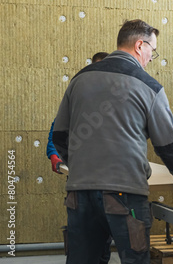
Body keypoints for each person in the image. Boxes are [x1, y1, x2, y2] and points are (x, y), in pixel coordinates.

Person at [53, 19, 173, 264]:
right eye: (153, 50)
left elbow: (60, 136)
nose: (152, 58)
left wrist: (81, 167)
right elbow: (167, 144)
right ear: (140, 45)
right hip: (125, 193)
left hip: (80, 193)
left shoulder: (79, 79)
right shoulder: (149, 86)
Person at [47, 52, 113, 264]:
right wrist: (54, 155)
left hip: (107, 181)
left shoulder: (114, 102)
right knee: (80, 236)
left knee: (104, 236)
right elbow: (57, 131)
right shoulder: (78, 97)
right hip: (80, 181)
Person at [47, 52, 109, 174]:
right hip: (79, 167)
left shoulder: (116, 97)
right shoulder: (79, 92)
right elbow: (59, 126)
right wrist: (54, 154)